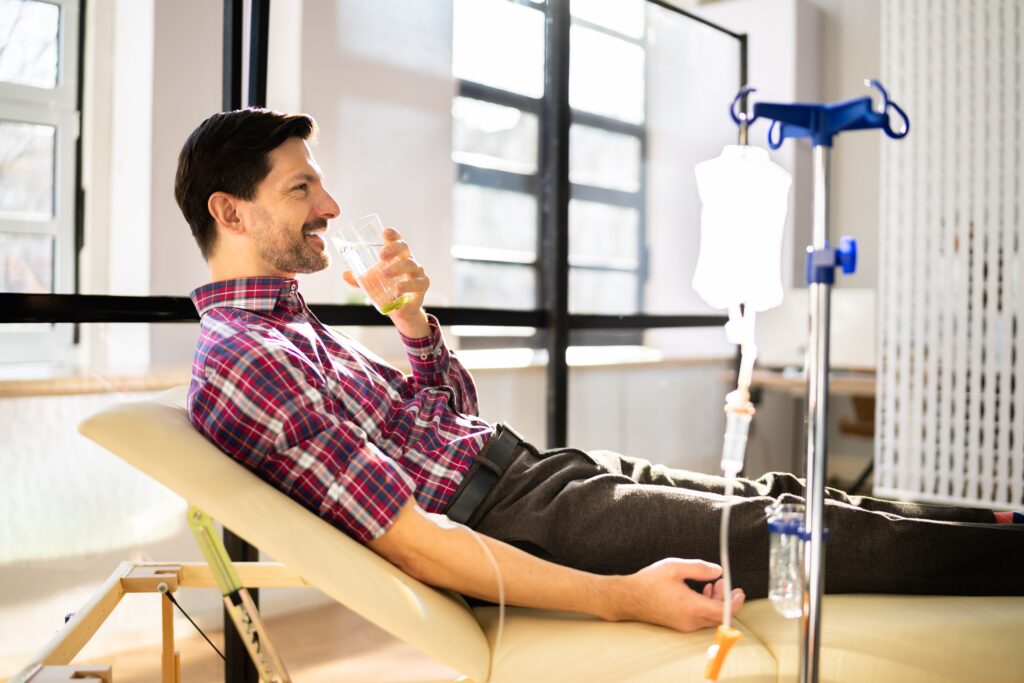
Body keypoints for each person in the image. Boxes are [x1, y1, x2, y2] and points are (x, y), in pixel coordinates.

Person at [175, 108, 1022, 635]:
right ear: (230, 210)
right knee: (803, 533)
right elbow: (417, 541)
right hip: (513, 518)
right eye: (301, 189)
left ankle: (1002, 522)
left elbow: (446, 418)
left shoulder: (287, 322)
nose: (328, 206)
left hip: (533, 473)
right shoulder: (245, 360)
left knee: (788, 494)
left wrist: (411, 323)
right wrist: (623, 597)